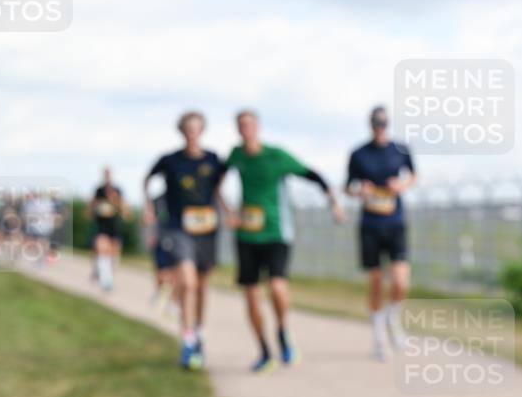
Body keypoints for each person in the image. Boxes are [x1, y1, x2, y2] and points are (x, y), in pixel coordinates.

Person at [222, 110, 345, 371]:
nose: (246, 129)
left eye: (250, 124)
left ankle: (282, 331)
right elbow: (215, 182)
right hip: (246, 234)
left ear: (258, 127)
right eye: (241, 125)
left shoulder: (276, 156)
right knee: (252, 295)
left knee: (277, 287)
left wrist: (333, 202)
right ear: (237, 129)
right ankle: (264, 351)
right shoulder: (236, 156)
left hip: (277, 232)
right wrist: (229, 212)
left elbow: (312, 175)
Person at [143, 111, 226, 370]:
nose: (192, 133)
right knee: (187, 282)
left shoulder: (213, 160)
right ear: (181, 131)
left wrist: (229, 211)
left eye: (196, 128)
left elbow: (217, 189)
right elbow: (147, 179)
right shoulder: (169, 161)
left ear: (202, 131)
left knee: (201, 286)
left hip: (207, 229)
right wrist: (148, 207)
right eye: (188, 128)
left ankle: (198, 333)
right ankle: (187, 340)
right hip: (178, 228)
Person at [345, 105, 417, 360]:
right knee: (375, 282)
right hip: (370, 225)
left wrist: (402, 184)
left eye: (384, 123)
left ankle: (392, 318)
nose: (380, 127)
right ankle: (378, 338)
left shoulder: (400, 150)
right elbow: (348, 188)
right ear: (370, 125)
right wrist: (359, 191)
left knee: (400, 280)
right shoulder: (358, 154)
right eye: (376, 123)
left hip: (395, 222)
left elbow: (414, 176)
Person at [88, 167, 129, 292]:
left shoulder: (118, 191)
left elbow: (126, 212)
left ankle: (102, 273)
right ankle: (106, 281)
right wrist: (95, 207)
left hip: (115, 227)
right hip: (102, 227)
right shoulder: (99, 191)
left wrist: (116, 201)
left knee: (114, 258)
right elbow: (90, 209)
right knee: (101, 250)